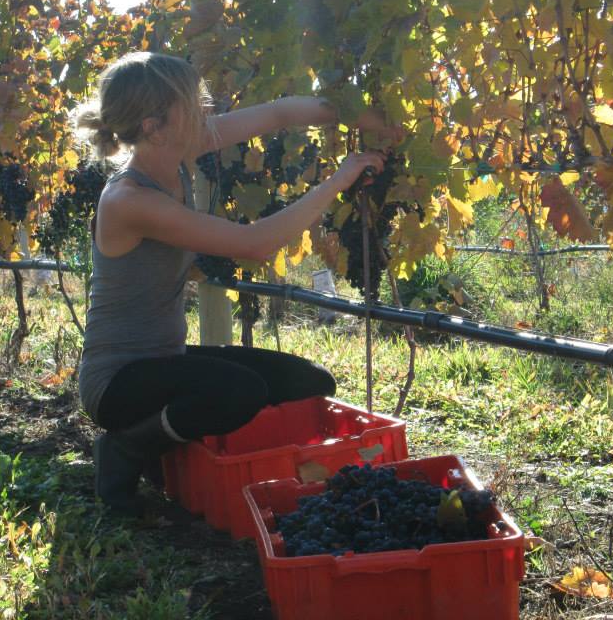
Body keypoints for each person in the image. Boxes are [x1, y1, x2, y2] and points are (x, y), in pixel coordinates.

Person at [76, 52, 393, 513]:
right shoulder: (130, 199)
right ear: (152, 125)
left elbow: (281, 112)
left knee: (308, 383)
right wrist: (338, 181)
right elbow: (255, 244)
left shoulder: (176, 148)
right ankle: (128, 446)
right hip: (117, 382)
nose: (206, 109)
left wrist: (367, 117)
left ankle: (171, 446)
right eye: (192, 101)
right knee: (238, 392)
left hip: (164, 360)